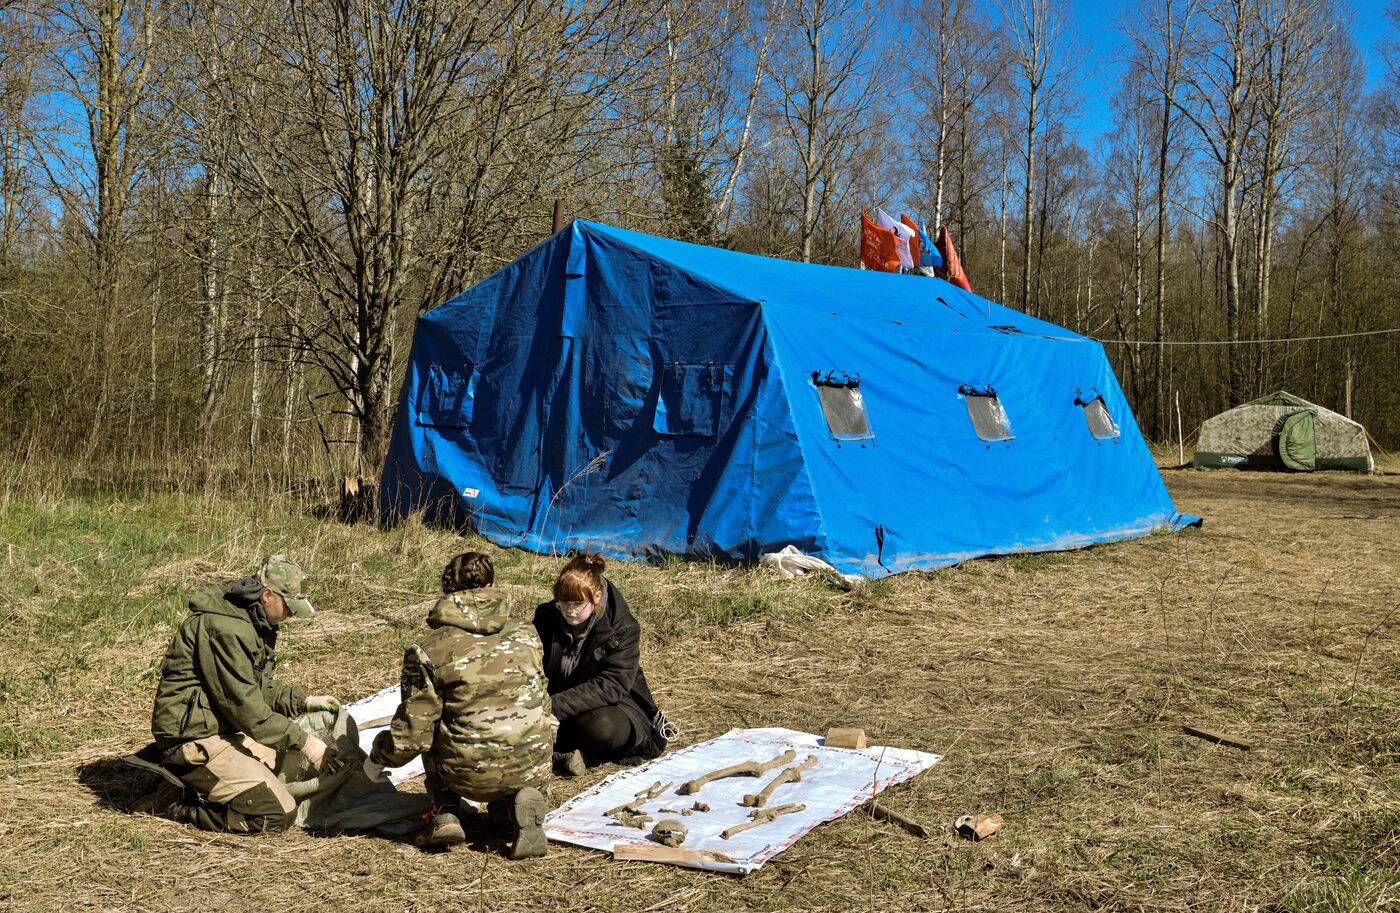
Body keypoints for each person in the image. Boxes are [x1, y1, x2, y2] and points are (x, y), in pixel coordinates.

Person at [366, 552, 553, 858]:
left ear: (447, 590)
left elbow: (412, 736)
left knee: (435, 727)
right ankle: (514, 810)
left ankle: (445, 813)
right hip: (533, 763)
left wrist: (378, 753)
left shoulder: (429, 649)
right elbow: (544, 700)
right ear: (492, 585)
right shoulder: (528, 634)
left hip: (467, 773)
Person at [136, 555, 340, 833]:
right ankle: (177, 805)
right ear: (268, 595)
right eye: (289, 607)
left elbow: (254, 685)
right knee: (276, 814)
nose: (291, 615)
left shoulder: (251, 619)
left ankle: (192, 783)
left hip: (220, 729)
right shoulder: (227, 629)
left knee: (287, 765)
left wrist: (302, 701)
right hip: (192, 739)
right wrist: (307, 743)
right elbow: (247, 709)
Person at [533, 553, 674, 776]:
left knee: (602, 727)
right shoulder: (546, 616)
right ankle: (562, 753)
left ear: (596, 596)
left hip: (611, 706)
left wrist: (552, 707)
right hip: (557, 701)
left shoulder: (623, 629)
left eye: (578, 604)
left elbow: (612, 685)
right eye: (562, 603)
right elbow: (532, 664)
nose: (569, 610)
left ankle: (570, 752)